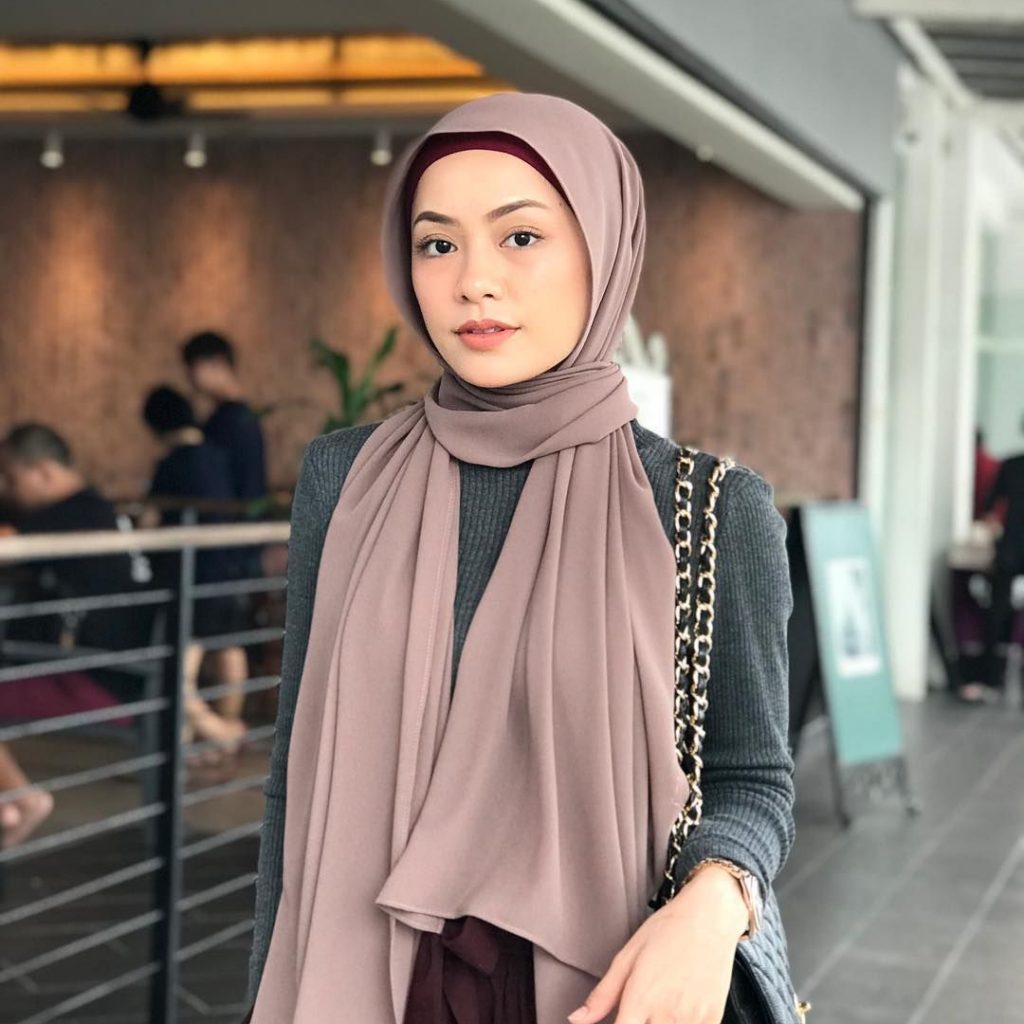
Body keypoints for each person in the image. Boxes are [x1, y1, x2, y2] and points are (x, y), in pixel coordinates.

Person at [244, 94, 796, 1024]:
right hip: (362, 983)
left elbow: (754, 779)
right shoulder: (343, 478)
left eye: (522, 237)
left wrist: (713, 904)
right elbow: (293, 779)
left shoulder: (709, 507)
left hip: (592, 993)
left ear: (604, 249)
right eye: (437, 243)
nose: (474, 282)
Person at [142, 385, 249, 762]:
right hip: (228, 568)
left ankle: (210, 735)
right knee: (230, 648)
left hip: (189, 574)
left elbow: (151, 520)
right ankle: (226, 730)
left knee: (179, 667)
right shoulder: (220, 457)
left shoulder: (171, 464)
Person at [967, 428, 1024, 703]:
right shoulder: (1010, 466)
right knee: (999, 612)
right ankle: (992, 678)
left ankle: (991, 679)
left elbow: (989, 507)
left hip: (1010, 547)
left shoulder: (1011, 466)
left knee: (998, 612)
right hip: (1011, 549)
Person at [180, 331, 267, 505]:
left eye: (194, 366)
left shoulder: (234, 420)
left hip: (234, 515)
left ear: (217, 362)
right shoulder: (236, 417)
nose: (189, 376)